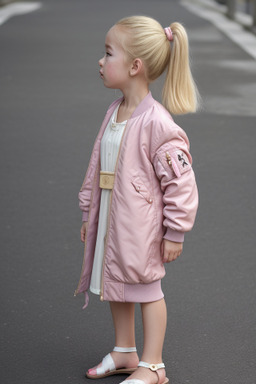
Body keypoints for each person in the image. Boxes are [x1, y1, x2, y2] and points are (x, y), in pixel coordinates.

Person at [75, 15, 199, 384]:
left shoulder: (157, 123)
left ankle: (154, 364)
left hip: (140, 225)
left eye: (108, 53)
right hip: (113, 217)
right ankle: (126, 351)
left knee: (146, 289)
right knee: (118, 283)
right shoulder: (114, 112)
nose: (100, 61)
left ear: (134, 66)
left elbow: (181, 182)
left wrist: (175, 231)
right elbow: (97, 165)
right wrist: (89, 210)